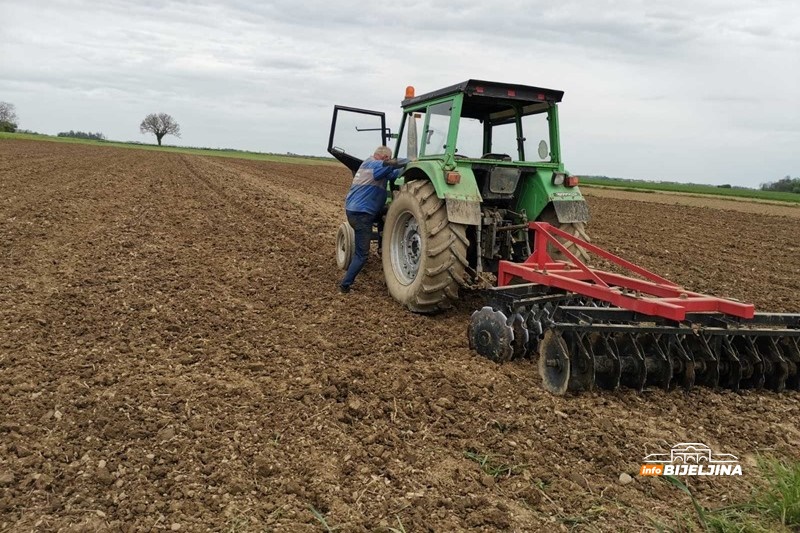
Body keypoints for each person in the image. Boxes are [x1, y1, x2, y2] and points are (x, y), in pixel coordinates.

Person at [338, 146, 406, 293]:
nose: (388, 161)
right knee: (361, 255)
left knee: (387, 214)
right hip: (362, 215)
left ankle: (384, 242)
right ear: (384, 158)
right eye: (388, 159)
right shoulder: (373, 164)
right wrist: (412, 161)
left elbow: (394, 174)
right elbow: (392, 165)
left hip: (356, 210)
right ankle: (345, 285)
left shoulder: (370, 167)